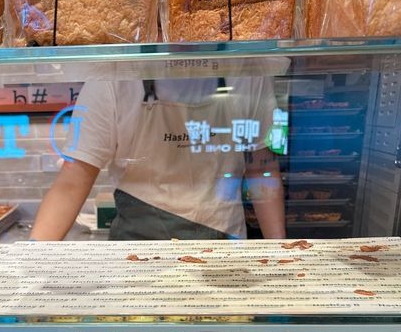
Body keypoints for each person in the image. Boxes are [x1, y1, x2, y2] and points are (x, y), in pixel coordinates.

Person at [31, 77, 286, 241]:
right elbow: (71, 184)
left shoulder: (249, 73)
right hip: (137, 258)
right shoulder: (111, 80)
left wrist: (280, 255)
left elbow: (263, 170)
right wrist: (30, 263)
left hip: (223, 252)